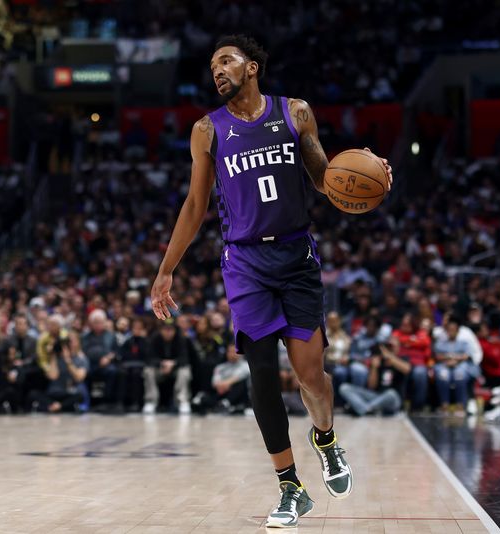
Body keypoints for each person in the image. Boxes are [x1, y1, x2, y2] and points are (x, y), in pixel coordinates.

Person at [150, 34, 392, 528]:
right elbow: (196, 205)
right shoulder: (207, 131)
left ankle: (325, 438)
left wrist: (372, 173)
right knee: (260, 369)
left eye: (226, 61)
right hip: (244, 263)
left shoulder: (295, 112)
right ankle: (290, 487)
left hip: (296, 255)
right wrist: (166, 269)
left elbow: (326, 178)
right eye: (212, 65)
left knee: (310, 378)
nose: (217, 70)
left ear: (252, 67)